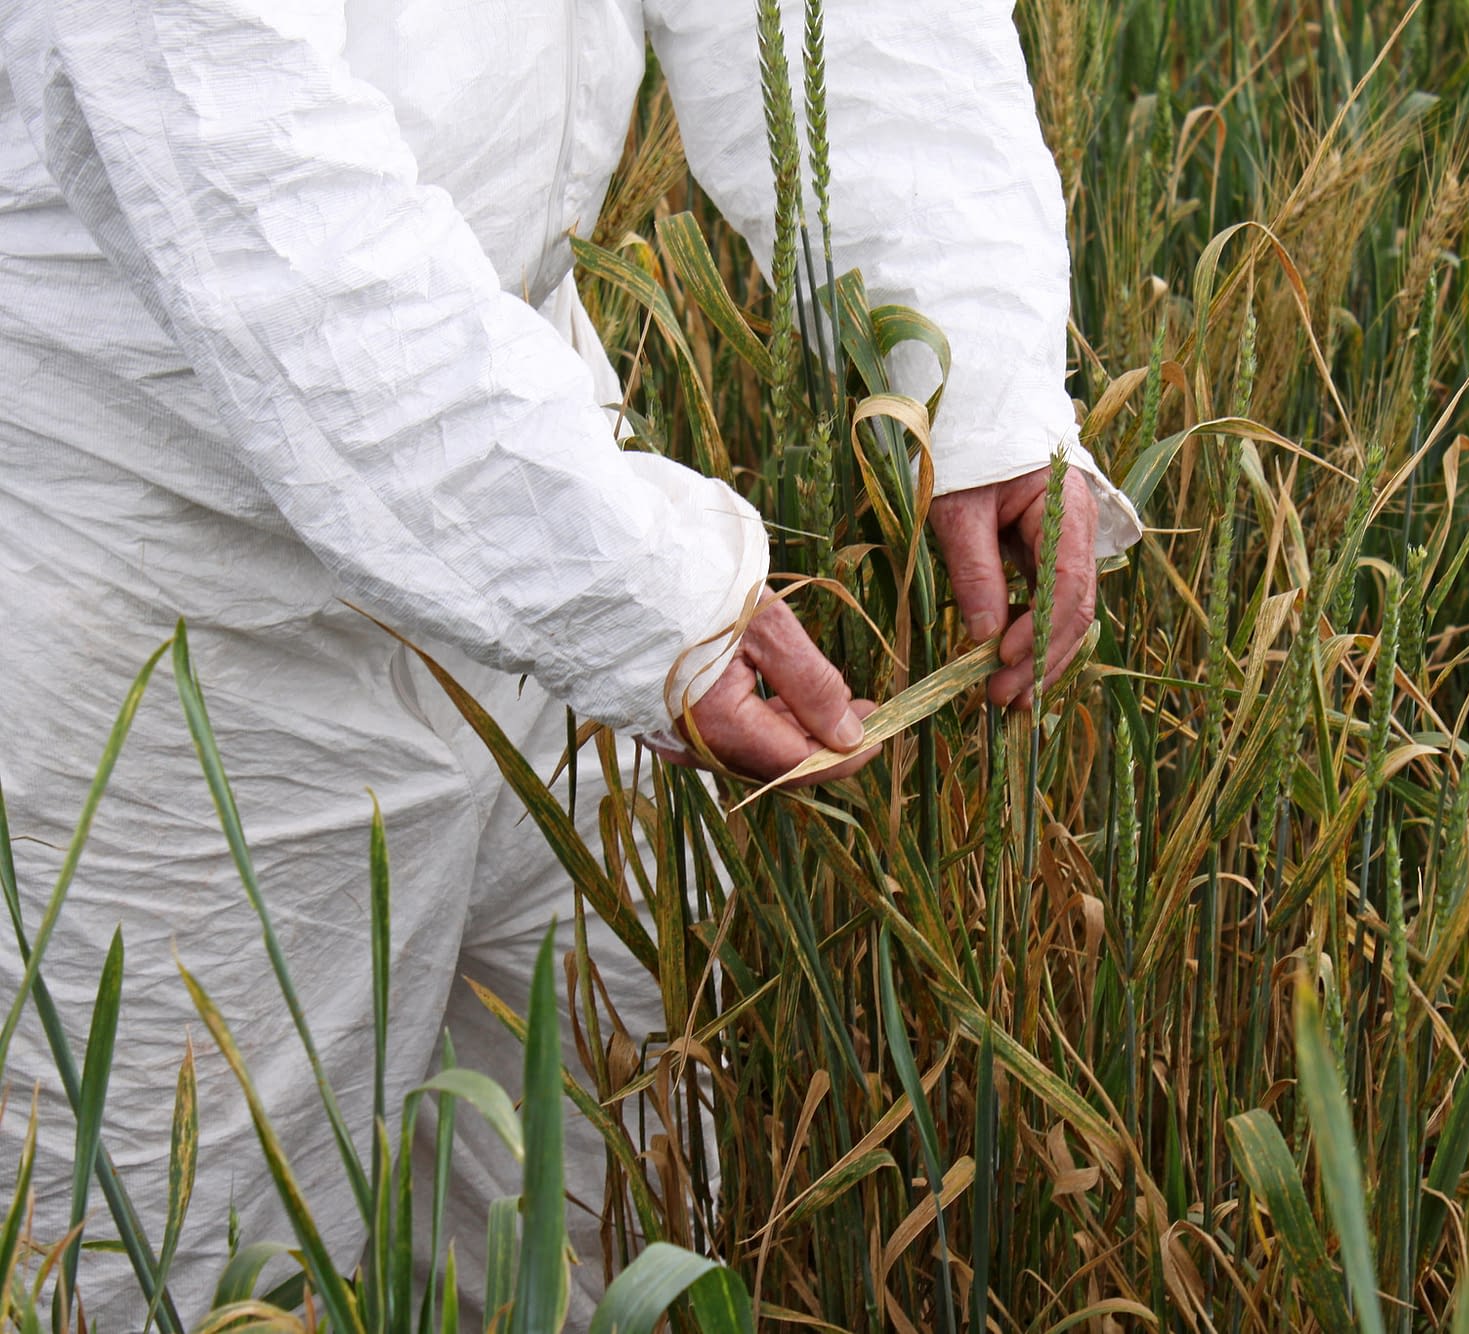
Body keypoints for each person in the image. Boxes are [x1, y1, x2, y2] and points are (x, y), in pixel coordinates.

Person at [0, 0, 1141, 1323]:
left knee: (607, 1215)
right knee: (179, 1262)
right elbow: (226, 139)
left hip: (539, 495)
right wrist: (621, 587)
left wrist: (979, 384)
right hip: (173, 603)